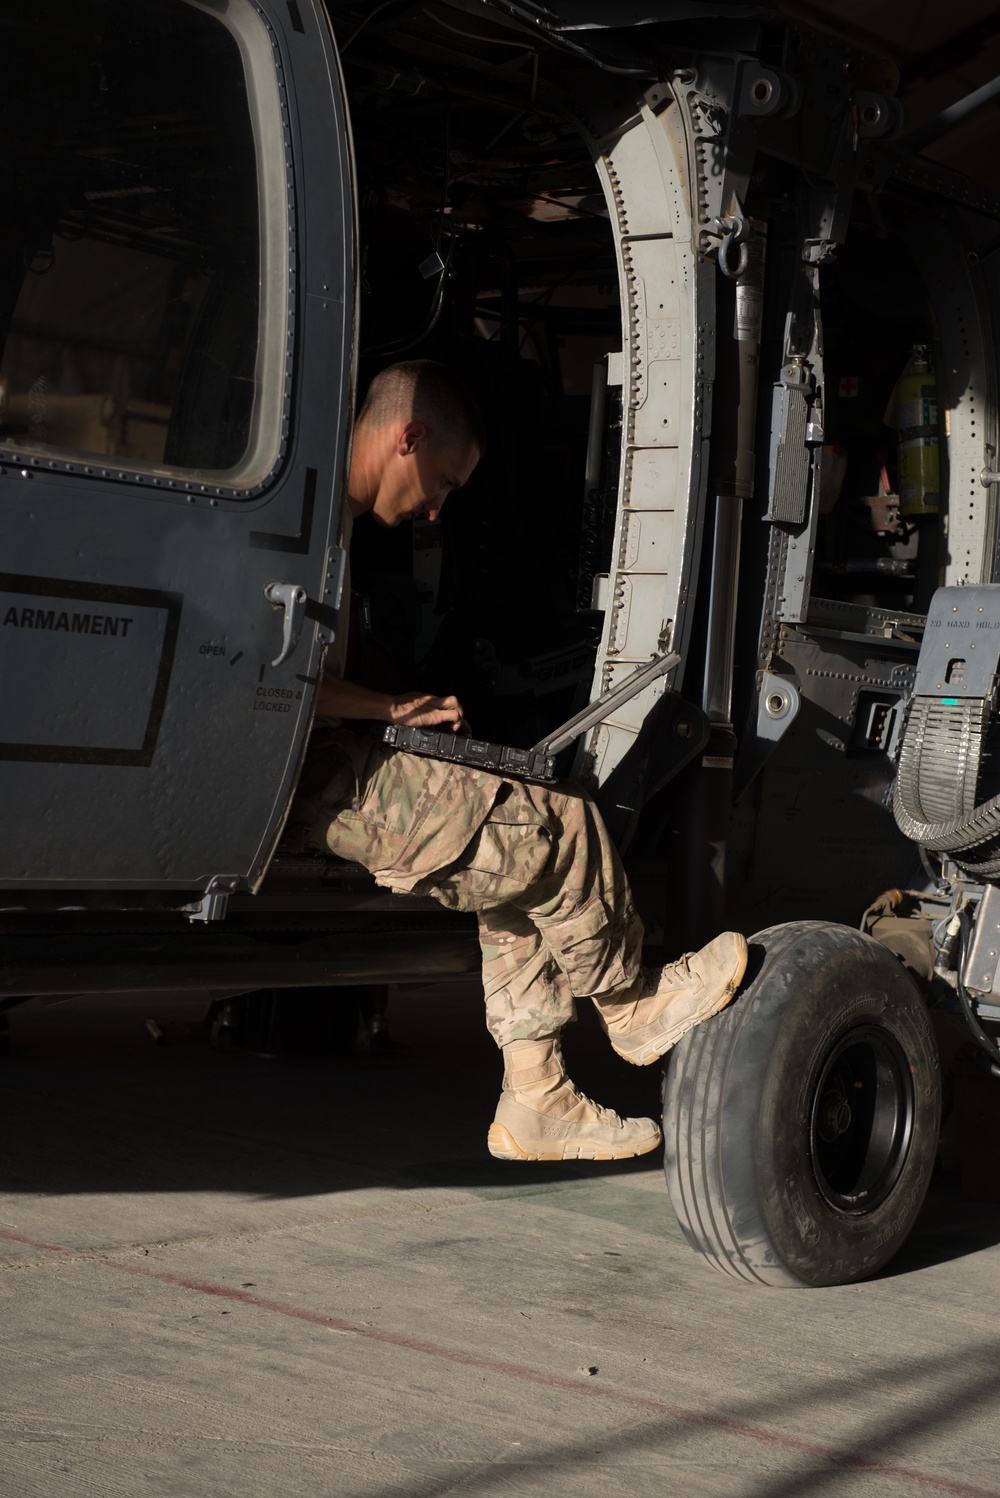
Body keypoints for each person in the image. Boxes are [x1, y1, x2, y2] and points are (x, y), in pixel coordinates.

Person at [293, 360, 748, 1162]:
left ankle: (536, 1097)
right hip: (307, 775)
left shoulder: (330, 510)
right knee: (560, 824)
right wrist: (389, 710)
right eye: (440, 482)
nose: (437, 507)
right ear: (408, 436)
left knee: (515, 862)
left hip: (320, 764)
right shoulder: (310, 505)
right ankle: (632, 1006)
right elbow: (267, 677)